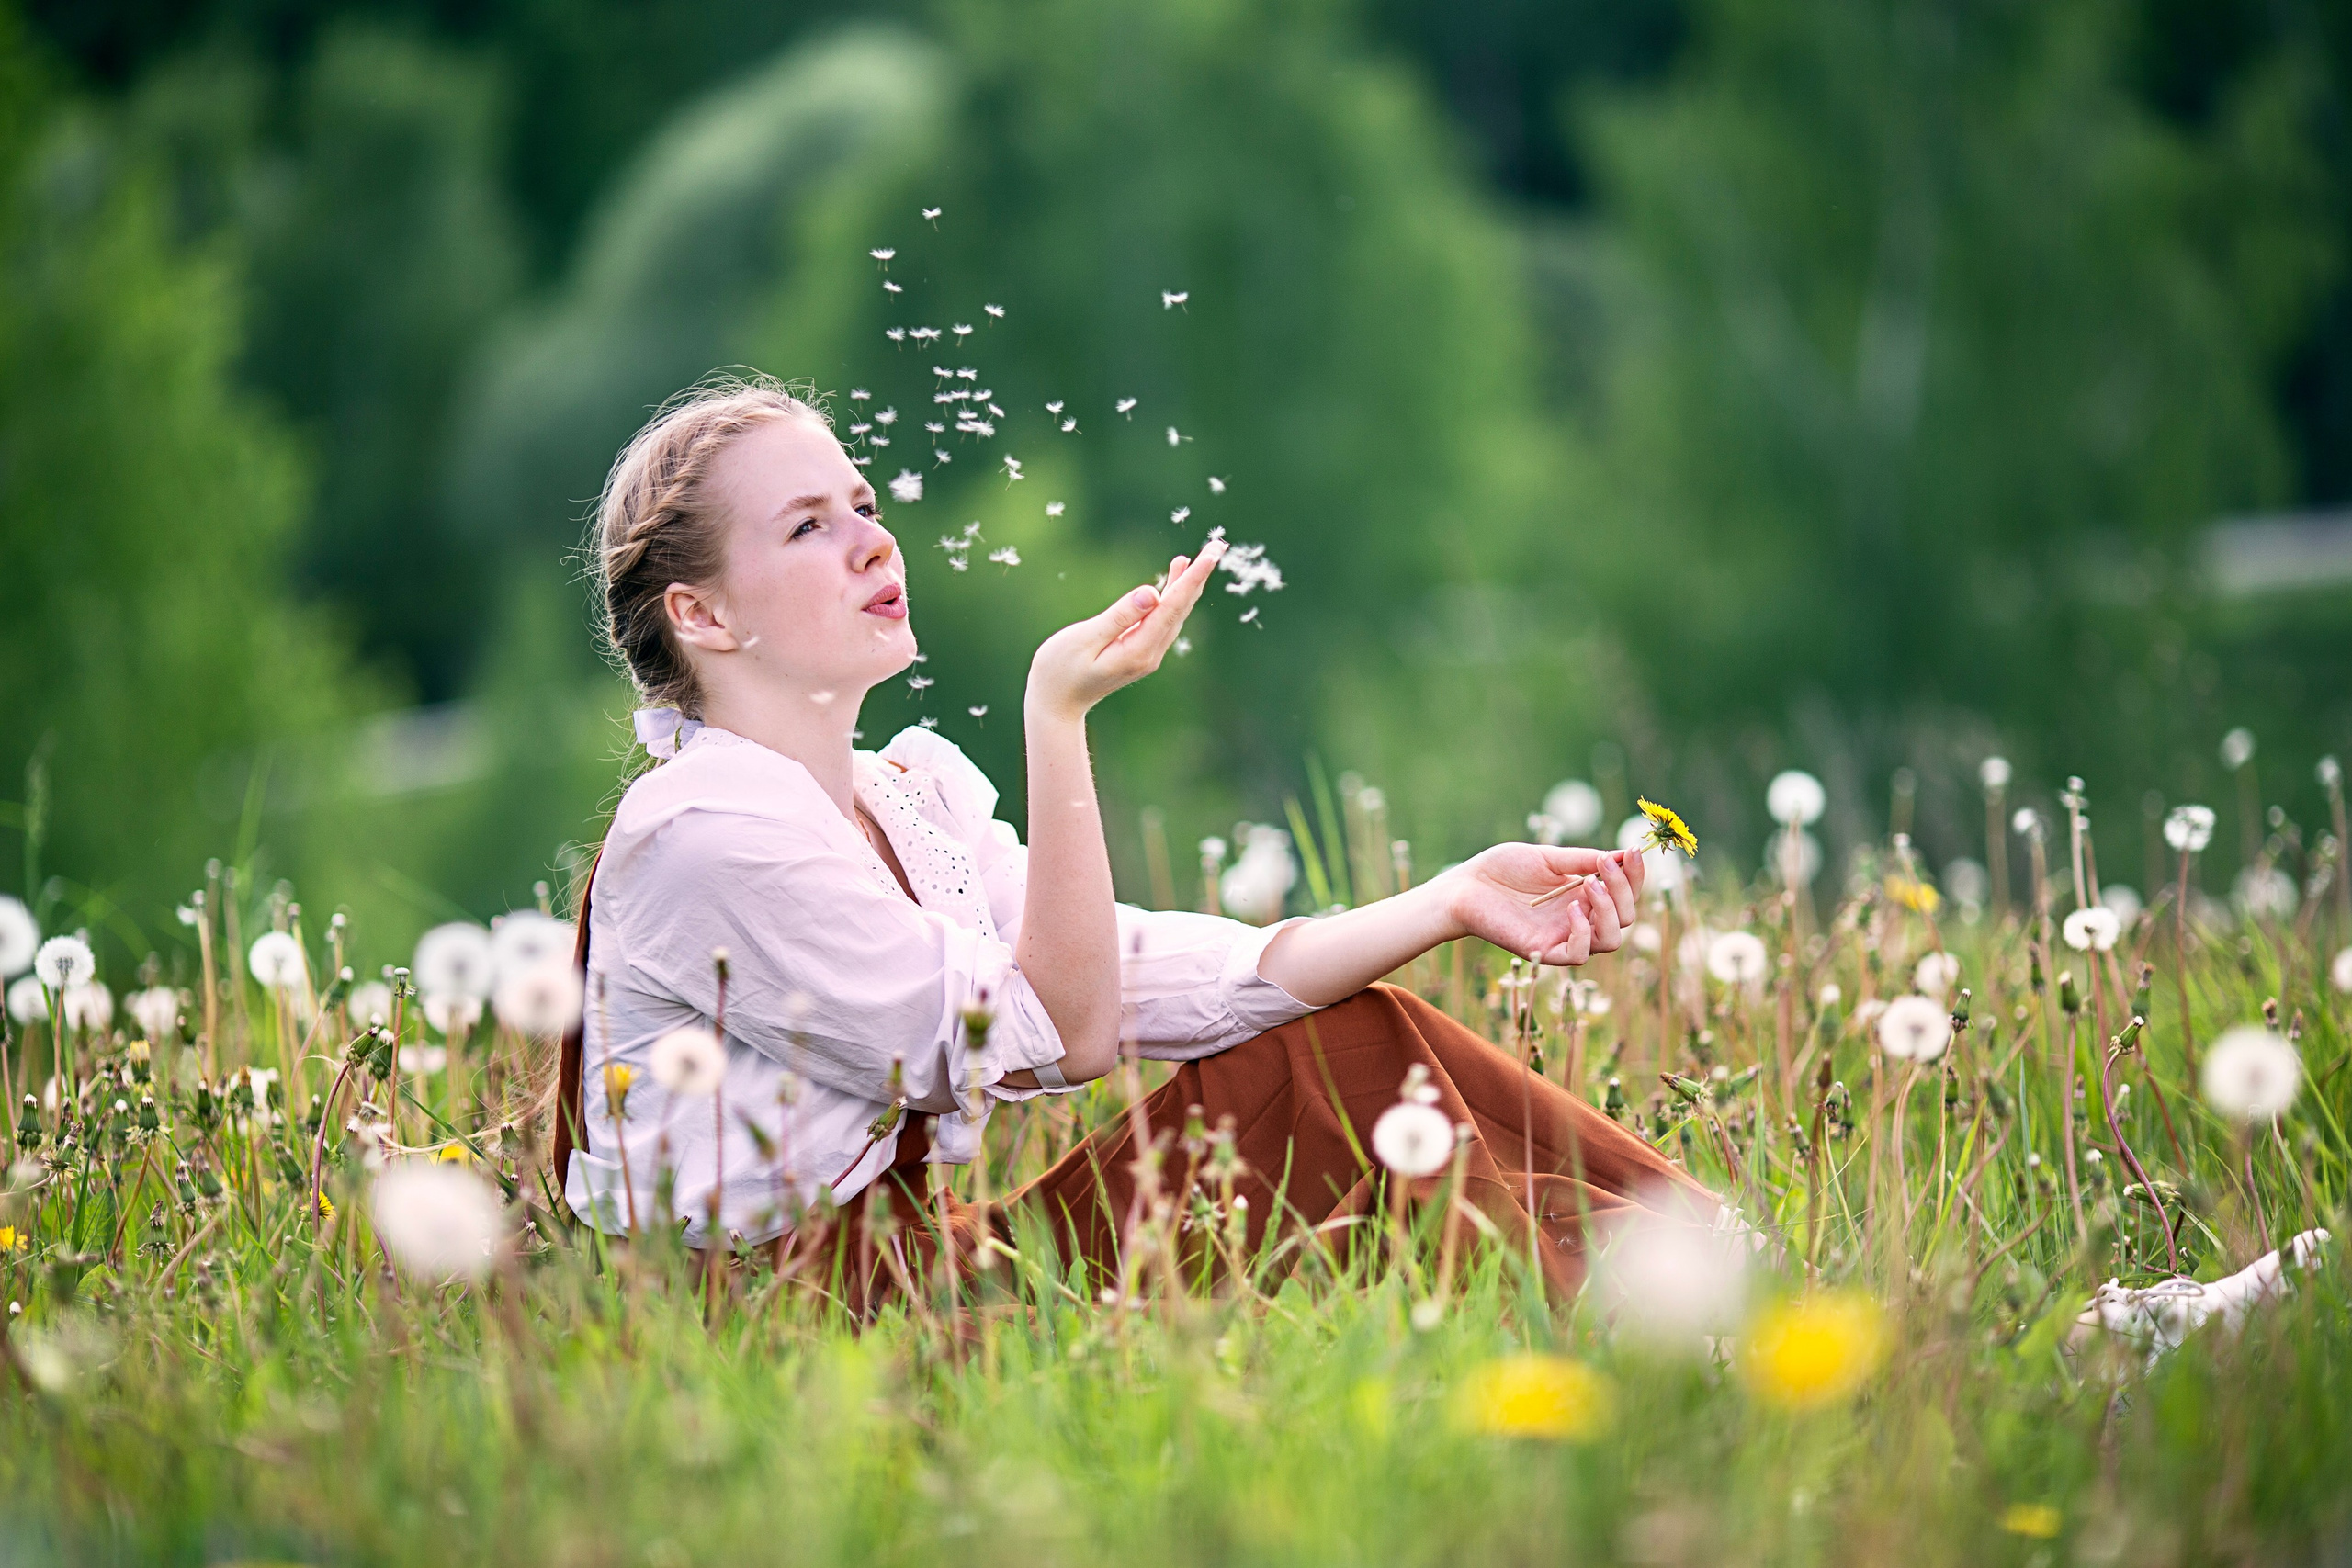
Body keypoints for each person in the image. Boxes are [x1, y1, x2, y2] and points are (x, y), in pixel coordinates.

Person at [553, 374, 1705, 1304]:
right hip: (787, 1334)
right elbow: (1067, 1028)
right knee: (1314, 1078)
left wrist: (1450, 898)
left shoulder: (899, 798)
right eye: (809, 525)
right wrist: (1057, 717)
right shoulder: (705, 834)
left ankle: (1691, 1263)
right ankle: (1615, 1321)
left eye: (863, 504)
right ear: (700, 615)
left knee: (1339, 1037)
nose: (870, 542)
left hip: (928, 1270)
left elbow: (1137, 970)